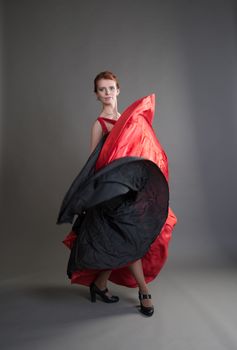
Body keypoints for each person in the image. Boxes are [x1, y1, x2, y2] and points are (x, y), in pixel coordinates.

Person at [57, 71, 177, 317]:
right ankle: (144, 291)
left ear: (118, 90)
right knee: (128, 240)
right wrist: (92, 195)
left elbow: (142, 151)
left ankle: (100, 284)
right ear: (96, 95)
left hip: (131, 192)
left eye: (111, 88)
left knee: (120, 241)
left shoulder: (130, 119)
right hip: (111, 195)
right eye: (102, 89)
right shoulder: (99, 124)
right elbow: (95, 164)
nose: (107, 93)